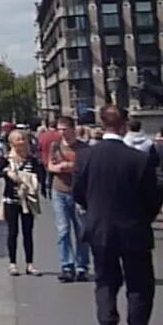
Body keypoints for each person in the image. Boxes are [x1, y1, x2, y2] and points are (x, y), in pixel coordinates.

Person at [73, 105, 163, 325]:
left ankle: (107, 320)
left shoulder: (85, 157)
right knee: (140, 285)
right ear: (124, 126)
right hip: (134, 229)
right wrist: (144, 217)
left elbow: (78, 192)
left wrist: (94, 209)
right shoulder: (139, 159)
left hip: (100, 229)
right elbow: (153, 197)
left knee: (105, 281)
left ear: (102, 125)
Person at [0, 129, 43, 276]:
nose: (22, 142)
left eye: (23, 139)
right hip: (11, 200)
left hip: (28, 200)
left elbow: (40, 174)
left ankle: (30, 264)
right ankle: (13, 263)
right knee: (12, 232)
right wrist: (6, 173)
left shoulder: (32, 160)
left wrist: (35, 181)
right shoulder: (6, 159)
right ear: (12, 142)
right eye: (18, 139)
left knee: (28, 232)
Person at [47, 115, 90, 282]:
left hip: (79, 193)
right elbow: (50, 165)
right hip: (59, 191)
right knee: (63, 230)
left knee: (81, 231)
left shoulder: (83, 148)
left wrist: (70, 166)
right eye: (60, 129)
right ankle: (67, 266)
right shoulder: (55, 146)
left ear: (73, 129)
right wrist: (58, 167)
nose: (62, 133)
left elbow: (86, 167)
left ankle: (82, 267)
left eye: (65, 129)